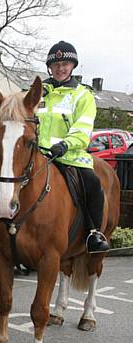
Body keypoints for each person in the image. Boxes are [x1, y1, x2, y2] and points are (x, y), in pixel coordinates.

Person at [37, 40, 110, 253]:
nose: (60, 68)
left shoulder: (82, 95)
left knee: (92, 185)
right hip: (38, 155)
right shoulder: (38, 92)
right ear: (50, 67)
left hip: (70, 156)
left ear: (72, 66)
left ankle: (94, 233)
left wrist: (66, 144)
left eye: (65, 64)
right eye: (56, 64)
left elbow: (83, 127)